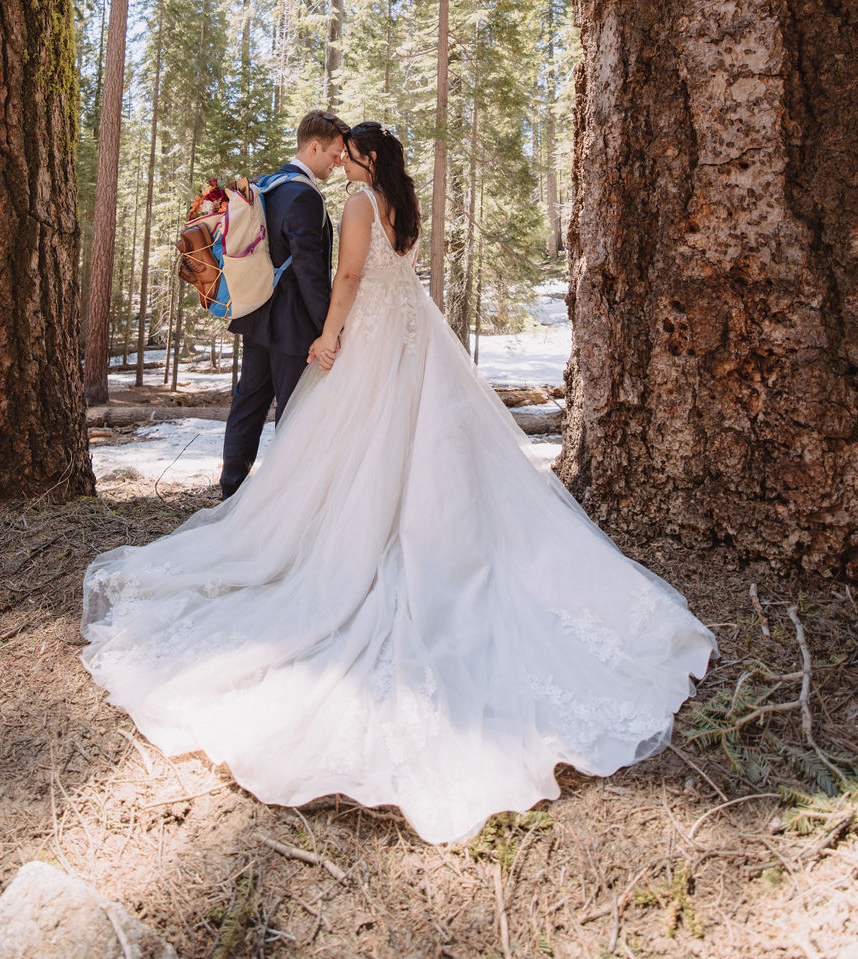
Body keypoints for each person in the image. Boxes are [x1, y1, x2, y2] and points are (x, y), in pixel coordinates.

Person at [82, 122, 715, 845]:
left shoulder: (358, 202)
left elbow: (349, 279)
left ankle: (366, 539)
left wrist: (327, 335)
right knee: (413, 452)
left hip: (373, 341)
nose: (343, 163)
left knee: (352, 449)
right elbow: (395, 271)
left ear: (369, 157)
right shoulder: (400, 206)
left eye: (350, 153)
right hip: (413, 341)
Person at [220, 108, 349, 500]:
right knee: (296, 414)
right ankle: (286, 502)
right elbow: (311, 273)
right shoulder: (305, 197)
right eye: (335, 153)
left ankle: (232, 493)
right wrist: (328, 330)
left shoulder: (268, 184)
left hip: (257, 315)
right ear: (314, 146)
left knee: (249, 403)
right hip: (293, 326)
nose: (339, 162)